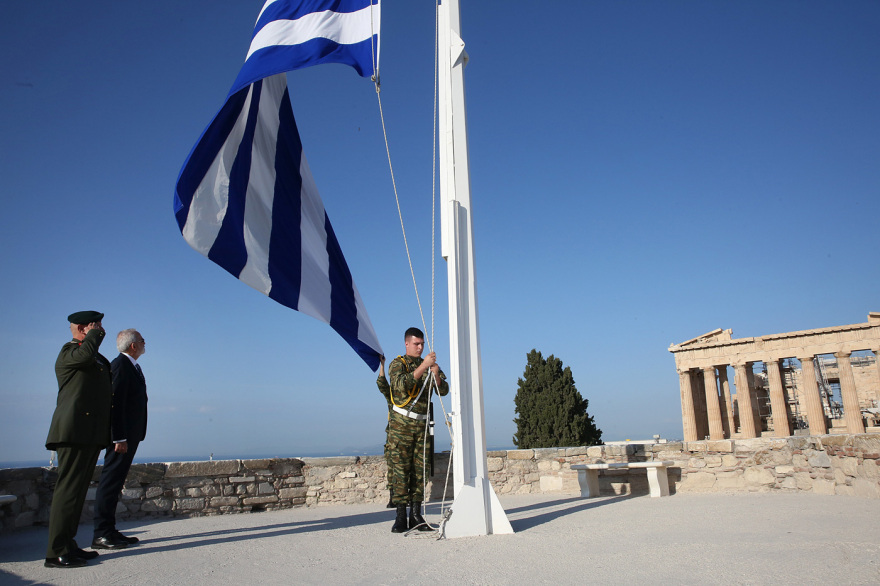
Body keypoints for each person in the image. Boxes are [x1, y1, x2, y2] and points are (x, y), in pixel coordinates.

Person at [44, 311, 113, 568]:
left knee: (77, 493)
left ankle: (69, 545)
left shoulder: (92, 357)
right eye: (97, 327)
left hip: (88, 434)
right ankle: (55, 552)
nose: (102, 331)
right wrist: (93, 336)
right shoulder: (69, 352)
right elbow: (85, 356)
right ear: (84, 329)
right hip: (72, 432)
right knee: (68, 493)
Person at [387, 327, 448, 533]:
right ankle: (400, 516)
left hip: (422, 426)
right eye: (416, 344)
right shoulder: (398, 364)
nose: (420, 347)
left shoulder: (431, 365)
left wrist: (437, 375)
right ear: (407, 344)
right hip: (401, 426)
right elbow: (400, 385)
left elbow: (444, 390)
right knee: (401, 470)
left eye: (422, 344)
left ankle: (416, 514)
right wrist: (424, 366)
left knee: (420, 471)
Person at [92, 329, 148, 549]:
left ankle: (110, 530)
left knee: (115, 484)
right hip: (121, 439)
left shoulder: (131, 366)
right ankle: (101, 533)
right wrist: (119, 438)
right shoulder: (120, 366)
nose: (145, 344)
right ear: (133, 345)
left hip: (130, 435)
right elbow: (114, 405)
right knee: (110, 482)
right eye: (142, 341)